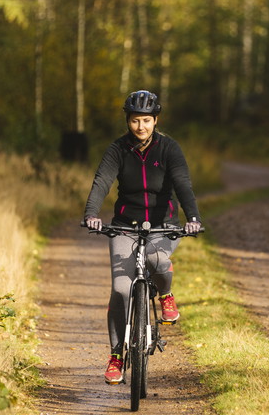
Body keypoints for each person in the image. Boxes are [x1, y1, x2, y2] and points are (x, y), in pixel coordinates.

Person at [83, 90, 202, 384]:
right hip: (125, 225)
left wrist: (194, 218)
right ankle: (116, 355)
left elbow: (183, 184)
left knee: (158, 261)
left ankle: (166, 294)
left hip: (163, 225)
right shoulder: (117, 150)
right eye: (135, 121)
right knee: (121, 291)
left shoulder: (169, 149)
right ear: (128, 121)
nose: (141, 127)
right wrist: (91, 213)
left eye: (147, 121)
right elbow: (102, 182)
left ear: (155, 120)